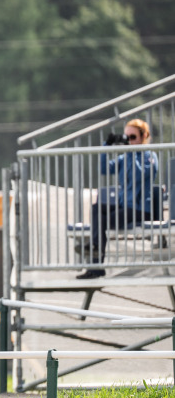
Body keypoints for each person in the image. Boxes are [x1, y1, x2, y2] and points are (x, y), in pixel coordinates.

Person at [75, 119, 158, 279]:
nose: (129, 141)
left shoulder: (150, 155)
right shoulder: (125, 157)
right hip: (124, 207)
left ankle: (96, 265)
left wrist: (130, 152)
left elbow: (139, 175)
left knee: (101, 222)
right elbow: (104, 169)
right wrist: (107, 145)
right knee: (96, 208)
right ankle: (95, 255)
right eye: (126, 137)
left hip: (140, 209)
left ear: (144, 136)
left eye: (132, 137)